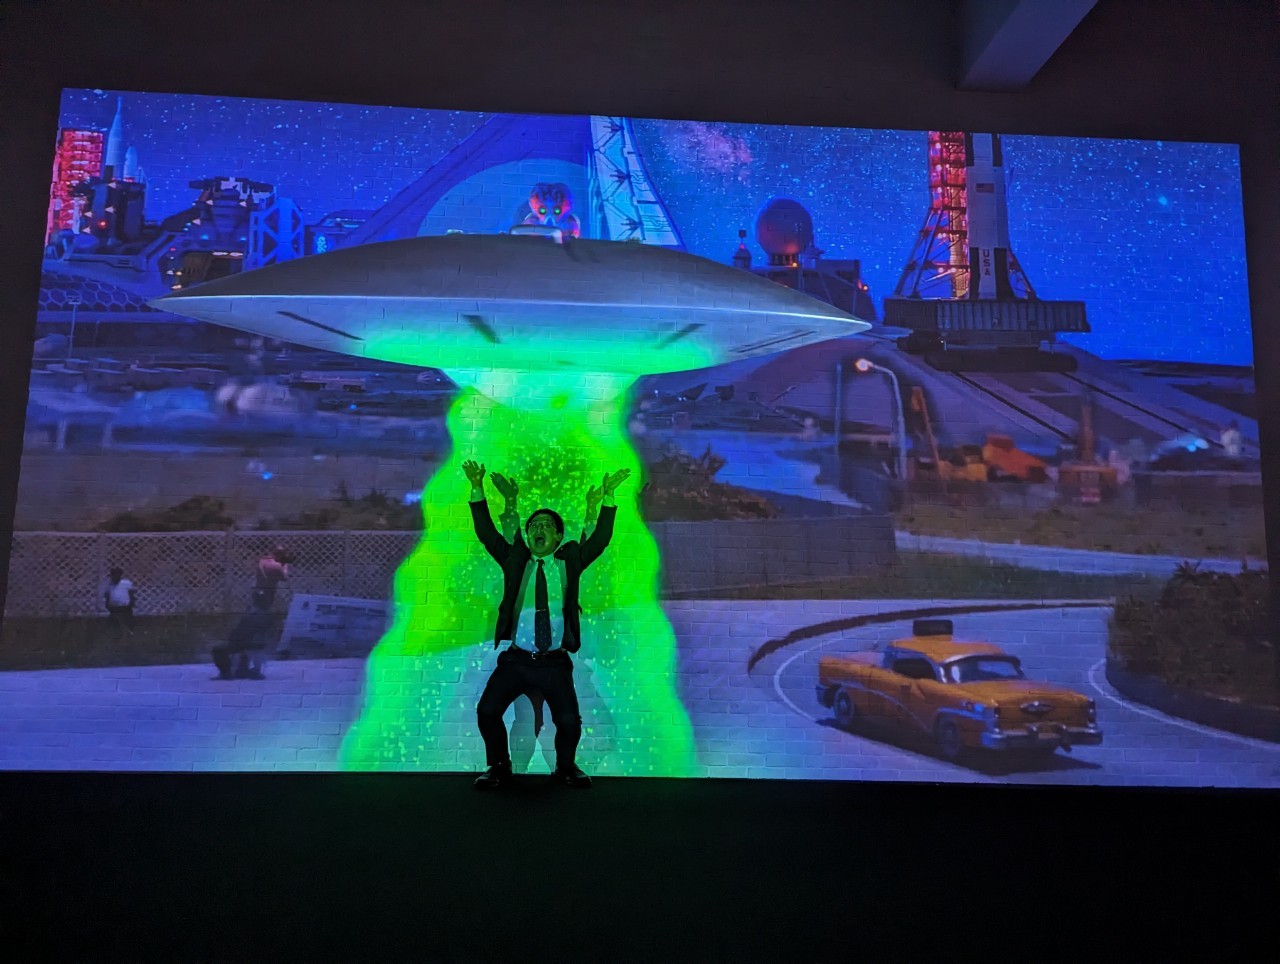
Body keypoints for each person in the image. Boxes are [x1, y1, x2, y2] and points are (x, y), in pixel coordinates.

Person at [464, 458, 628, 790]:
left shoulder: (569, 561)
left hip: (554, 662)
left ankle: (565, 768)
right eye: (534, 525)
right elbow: (485, 532)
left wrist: (608, 498)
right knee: (488, 711)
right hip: (516, 660)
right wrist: (477, 488)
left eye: (547, 525)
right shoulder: (515, 560)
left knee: (568, 720)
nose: (539, 529)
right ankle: (499, 767)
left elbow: (600, 540)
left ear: (558, 536)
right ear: (528, 535)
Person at [213, 545, 292, 681]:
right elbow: (284, 578)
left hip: (256, 607)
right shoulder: (276, 566)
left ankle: (237, 669)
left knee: (247, 640)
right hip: (260, 610)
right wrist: (285, 565)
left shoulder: (262, 562)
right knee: (255, 641)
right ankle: (253, 670)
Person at [103, 567, 136, 640]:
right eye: (114, 575)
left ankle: (128, 639)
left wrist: (131, 604)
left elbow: (131, 594)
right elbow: (107, 596)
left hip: (126, 608)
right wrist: (108, 605)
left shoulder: (126, 583)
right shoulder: (109, 585)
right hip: (114, 609)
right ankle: (117, 639)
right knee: (116, 626)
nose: (116, 576)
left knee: (126, 624)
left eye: (117, 574)